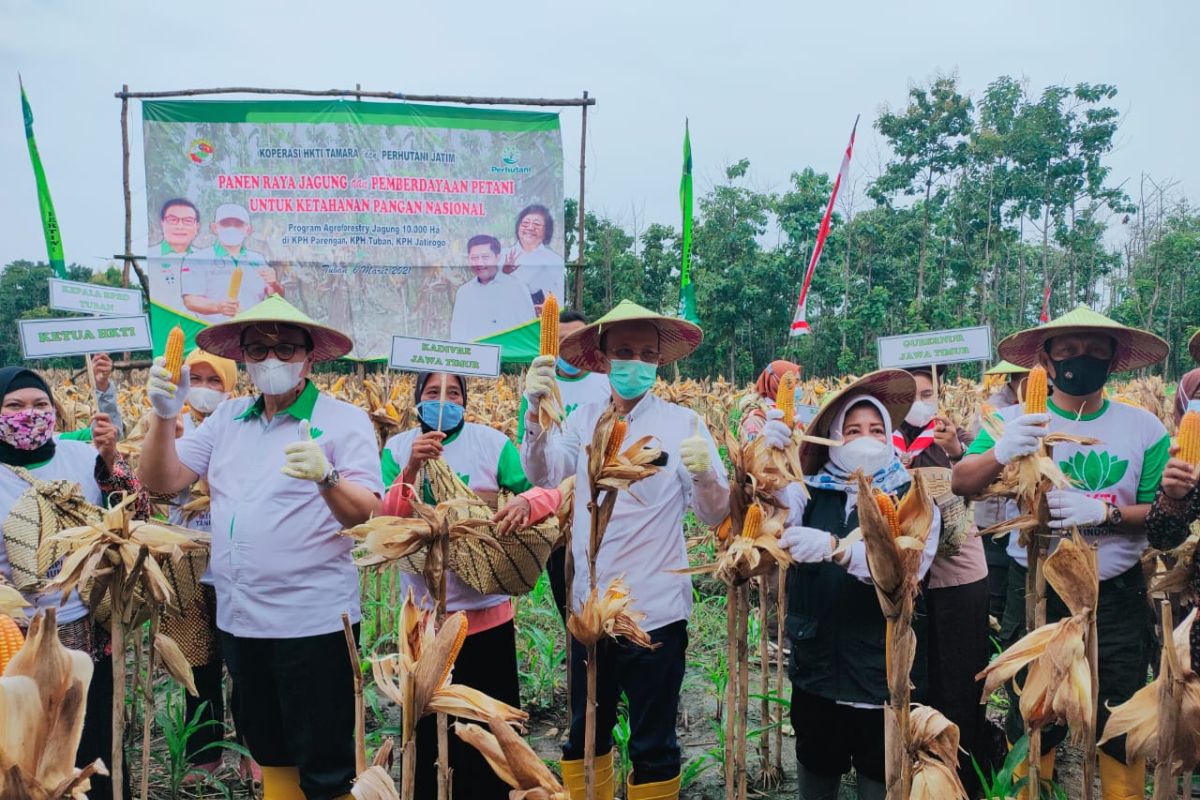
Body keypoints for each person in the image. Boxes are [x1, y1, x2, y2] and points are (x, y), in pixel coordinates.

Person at [138, 295, 383, 800]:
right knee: (269, 748)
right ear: (244, 358)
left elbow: (369, 516)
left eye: (286, 348)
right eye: (258, 349)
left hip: (313, 622)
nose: (272, 359)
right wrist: (163, 416)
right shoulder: (226, 421)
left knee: (325, 761)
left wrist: (327, 477)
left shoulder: (344, 421)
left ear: (310, 357)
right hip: (241, 620)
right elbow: (161, 482)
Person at [952, 305, 1170, 799]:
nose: (1080, 359)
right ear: (1047, 361)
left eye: (1094, 350)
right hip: (1034, 589)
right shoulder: (1010, 420)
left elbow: (1157, 512)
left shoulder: (1145, 429)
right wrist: (1002, 450)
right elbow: (962, 481)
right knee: (1034, 712)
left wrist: (1106, 513)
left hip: (1114, 594)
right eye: (1068, 350)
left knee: (1120, 718)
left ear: (1112, 361)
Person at [521, 300, 728, 800]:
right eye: (624, 352)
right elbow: (545, 474)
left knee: (654, 741)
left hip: (654, 608)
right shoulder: (583, 419)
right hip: (589, 609)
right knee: (583, 731)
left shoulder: (684, 424)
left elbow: (715, 514)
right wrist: (536, 413)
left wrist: (703, 473)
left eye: (646, 353)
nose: (634, 362)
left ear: (658, 361)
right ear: (604, 358)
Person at [379, 371, 561, 800]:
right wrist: (413, 465)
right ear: (417, 399)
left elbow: (544, 493)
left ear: (466, 399)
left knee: (489, 735)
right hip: (423, 623)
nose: (444, 400)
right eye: (433, 392)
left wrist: (524, 502)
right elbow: (386, 517)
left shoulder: (493, 444)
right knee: (427, 737)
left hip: (486, 615)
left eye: (454, 393)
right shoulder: (397, 448)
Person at [777, 370, 940, 800]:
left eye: (874, 430)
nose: (865, 439)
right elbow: (772, 522)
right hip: (818, 668)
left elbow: (912, 571)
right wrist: (771, 456)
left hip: (879, 670)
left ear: (889, 435)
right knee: (816, 767)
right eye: (852, 430)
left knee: (879, 775)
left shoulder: (912, 495)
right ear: (833, 437)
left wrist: (838, 549)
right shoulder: (807, 491)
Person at [0, 366, 146, 800]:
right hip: (14, 637)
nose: (30, 413)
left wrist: (112, 459)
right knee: (23, 753)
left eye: (40, 404)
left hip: (85, 629)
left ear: (56, 409)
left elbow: (131, 517)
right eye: (14, 406)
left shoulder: (80, 456)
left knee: (89, 742)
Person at [154, 347, 259, 781]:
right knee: (197, 666)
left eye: (214, 380)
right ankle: (205, 754)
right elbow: (154, 488)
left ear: (231, 385)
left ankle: (256, 750)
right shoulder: (167, 428)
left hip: (238, 564)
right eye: (194, 378)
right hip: (188, 565)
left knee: (249, 667)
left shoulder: (243, 429)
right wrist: (163, 425)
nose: (203, 388)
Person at [895, 365, 989, 794]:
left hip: (957, 581)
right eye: (911, 393)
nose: (920, 400)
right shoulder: (884, 439)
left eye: (927, 391)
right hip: (908, 585)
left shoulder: (957, 440)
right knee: (916, 682)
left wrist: (956, 450)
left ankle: (960, 777)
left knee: (958, 683)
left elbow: (982, 483)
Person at [516, 308, 611, 620]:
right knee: (569, 604)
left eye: (576, 339)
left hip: (603, 506)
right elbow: (533, 461)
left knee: (604, 599)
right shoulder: (539, 389)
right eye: (560, 340)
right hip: (557, 510)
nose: (567, 347)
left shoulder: (606, 383)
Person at [972, 361, 1030, 627]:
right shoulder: (996, 409)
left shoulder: (1041, 407)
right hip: (995, 518)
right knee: (997, 588)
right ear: (1019, 379)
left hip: (1025, 519)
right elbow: (974, 461)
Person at [182, 203, 280, 322]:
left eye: (238, 224)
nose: (231, 228)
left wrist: (274, 284)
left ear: (248, 230)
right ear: (214, 228)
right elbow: (190, 301)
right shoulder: (198, 259)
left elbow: (275, 296)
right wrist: (218, 307)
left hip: (251, 332)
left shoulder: (257, 259)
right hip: (213, 334)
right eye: (225, 224)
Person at [449, 235, 537, 341]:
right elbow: (457, 332)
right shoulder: (464, 292)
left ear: (497, 257)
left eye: (485, 257)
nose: (480, 263)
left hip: (508, 355)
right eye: (474, 258)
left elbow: (528, 329)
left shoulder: (516, 287)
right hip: (474, 355)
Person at [502, 204, 565, 310]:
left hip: (539, 320)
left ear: (547, 231)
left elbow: (560, 298)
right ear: (518, 227)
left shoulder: (555, 261)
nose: (530, 228)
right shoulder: (502, 255)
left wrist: (550, 308)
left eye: (537, 224)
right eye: (525, 223)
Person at [150, 198, 201, 311]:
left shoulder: (204, 258)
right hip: (163, 324)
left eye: (187, 221)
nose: (180, 226)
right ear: (162, 223)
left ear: (197, 227)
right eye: (173, 220)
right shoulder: (151, 257)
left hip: (201, 325)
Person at [739, 360, 802, 441]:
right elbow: (750, 450)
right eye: (794, 382)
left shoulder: (793, 412)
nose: (798, 387)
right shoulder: (755, 418)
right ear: (775, 383)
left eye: (798, 382)